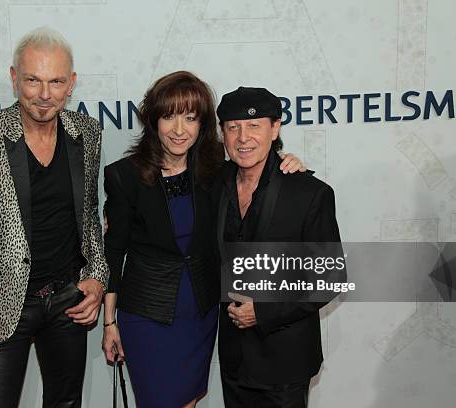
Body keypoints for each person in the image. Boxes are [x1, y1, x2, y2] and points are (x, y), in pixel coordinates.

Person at [101, 72, 305, 408]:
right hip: (147, 314)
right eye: (169, 116)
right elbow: (114, 251)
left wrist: (286, 160)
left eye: (190, 118)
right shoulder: (125, 176)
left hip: (201, 311)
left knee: (188, 401)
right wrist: (109, 322)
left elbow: (256, 165)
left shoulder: (215, 171)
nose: (179, 130)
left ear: (203, 124)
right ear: (153, 120)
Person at [0, 27, 107, 408]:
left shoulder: (88, 133)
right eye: (32, 80)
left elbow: (89, 216)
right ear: (14, 78)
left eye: (56, 81)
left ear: (71, 84)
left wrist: (96, 275)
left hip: (67, 301)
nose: (44, 94)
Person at [212, 87, 342, 408]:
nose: (243, 137)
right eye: (233, 127)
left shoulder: (309, 192)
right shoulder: (213, 183)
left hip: (285, 359)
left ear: (275, 128)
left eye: (254, 126)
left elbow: (329, 278)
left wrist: (263, 311)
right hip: (233, 357)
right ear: (222, 134)